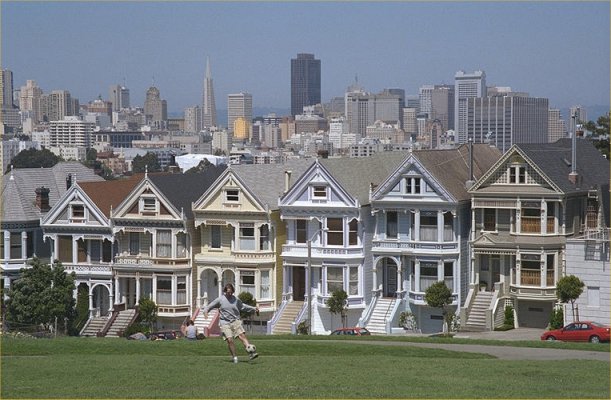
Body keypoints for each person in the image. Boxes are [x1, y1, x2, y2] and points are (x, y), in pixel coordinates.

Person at [203, 283, 259, 363]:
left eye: (231, 292)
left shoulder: (236, 299)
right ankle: (234, 357)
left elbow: (243, 306)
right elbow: (209, 306)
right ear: (225, 291)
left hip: (235, 321)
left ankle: (251, 353)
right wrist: (206, 312)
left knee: (242, 336)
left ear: (233, 291)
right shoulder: (220, 299)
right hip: (224, 322)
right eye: (228, 292)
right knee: (230, 340)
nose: (229, 294)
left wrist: (254, 309)